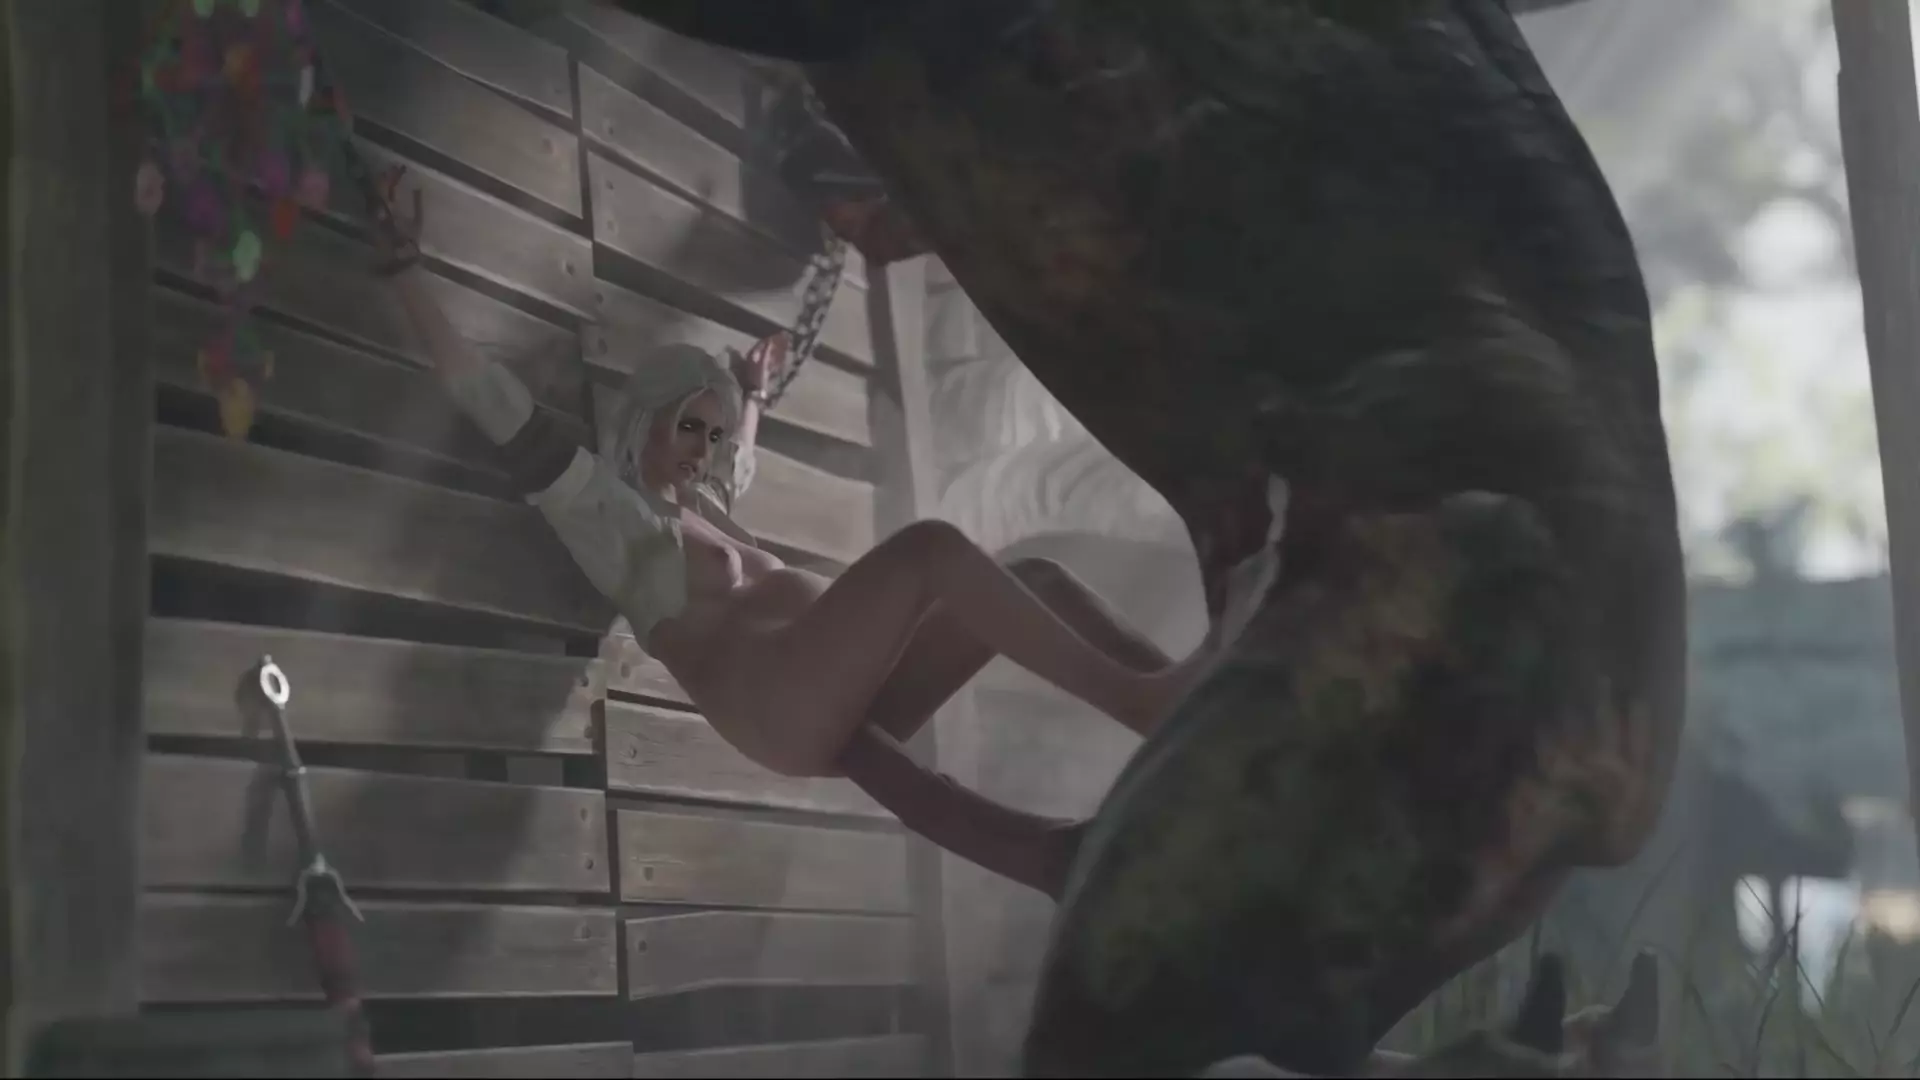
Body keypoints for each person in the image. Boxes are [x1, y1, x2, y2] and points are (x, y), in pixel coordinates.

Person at [372, 177, 1196, 896]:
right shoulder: (609, 517)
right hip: (778, 707)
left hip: (842, 697)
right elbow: (490, 397)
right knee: (929, 552)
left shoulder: (711, 501)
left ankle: (1180, 708)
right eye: (689, 427)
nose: (703, 448)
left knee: (1041, 577)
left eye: (711, 434)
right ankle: (1138, 698)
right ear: (647, 420)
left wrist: (753, 397)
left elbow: (738, 460)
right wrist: (406, 273)